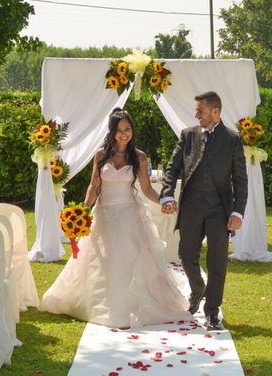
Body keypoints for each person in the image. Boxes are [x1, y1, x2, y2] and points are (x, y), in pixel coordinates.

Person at [40, 108, 190, 328]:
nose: (124, 134)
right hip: (104, 215)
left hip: (130, 215)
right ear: (112, 132)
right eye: (119, 130)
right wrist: (82, 210)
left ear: (132, 131)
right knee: (101, 261)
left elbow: (147, 190)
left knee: (130, 260)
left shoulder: (139, 157)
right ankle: (101, 302)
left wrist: (165, 201)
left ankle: (130, 303)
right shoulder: (101, 155)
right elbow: (94, 185)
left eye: (127, 129)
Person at [160, 91, 248, 331]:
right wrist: (167, 193)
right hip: (190, 207)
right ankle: (198, 290)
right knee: (186, 255)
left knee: (217, 261)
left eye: (200, 111)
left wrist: (237, 212)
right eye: (196, 110)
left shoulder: (232, 139)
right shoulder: (188, 135)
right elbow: (172, 167)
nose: (196, 114)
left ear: (215, 112)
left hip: (220, 210)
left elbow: (240, 180)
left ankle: (212, 312)